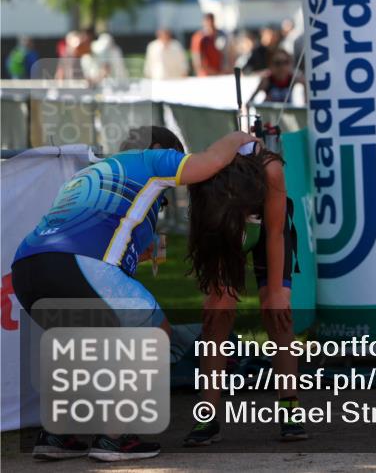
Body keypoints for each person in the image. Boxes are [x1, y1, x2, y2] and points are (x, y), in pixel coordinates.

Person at [11, 126, 259, 461]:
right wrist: (238, 138)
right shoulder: (153, 158)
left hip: (28, 268)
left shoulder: (92, 172)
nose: (164, 199)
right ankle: (116, 437)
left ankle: (59, 435)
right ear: (160, 148)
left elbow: (96, 231)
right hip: (79, 263)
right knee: (155, 333)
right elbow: (210, 162)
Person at [183, 142, 307, 445]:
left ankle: (289, 407)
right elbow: (203, 239)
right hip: (221, 228)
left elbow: (276, 234)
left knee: (276, 310)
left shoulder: (271, 171)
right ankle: (207, 416)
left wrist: (277, 292)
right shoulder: (204, 176)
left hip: (269, 230)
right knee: (217, 314)